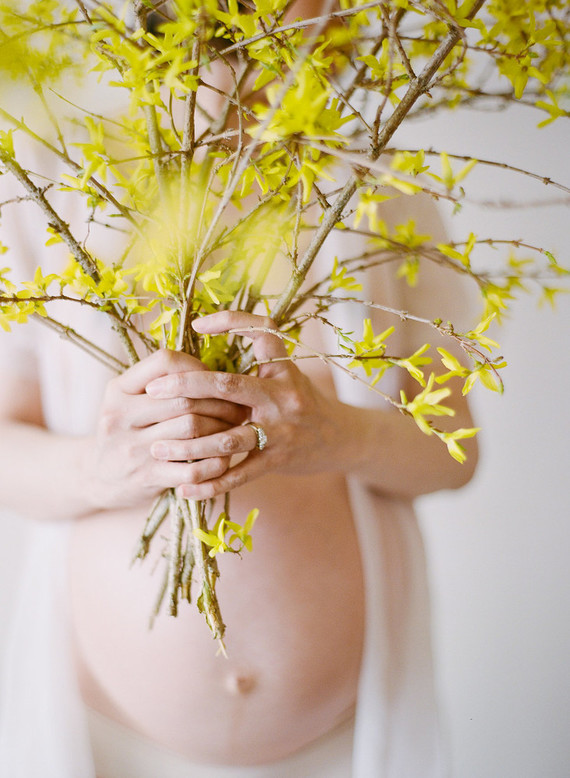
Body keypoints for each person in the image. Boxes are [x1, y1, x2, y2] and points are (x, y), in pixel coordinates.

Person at [0, 6, 478, 778]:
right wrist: (104, 467)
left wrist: (337, 435)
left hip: (338, 747)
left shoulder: (382, 190)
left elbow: (455, 454)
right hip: (105, 744)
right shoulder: (52, 174)